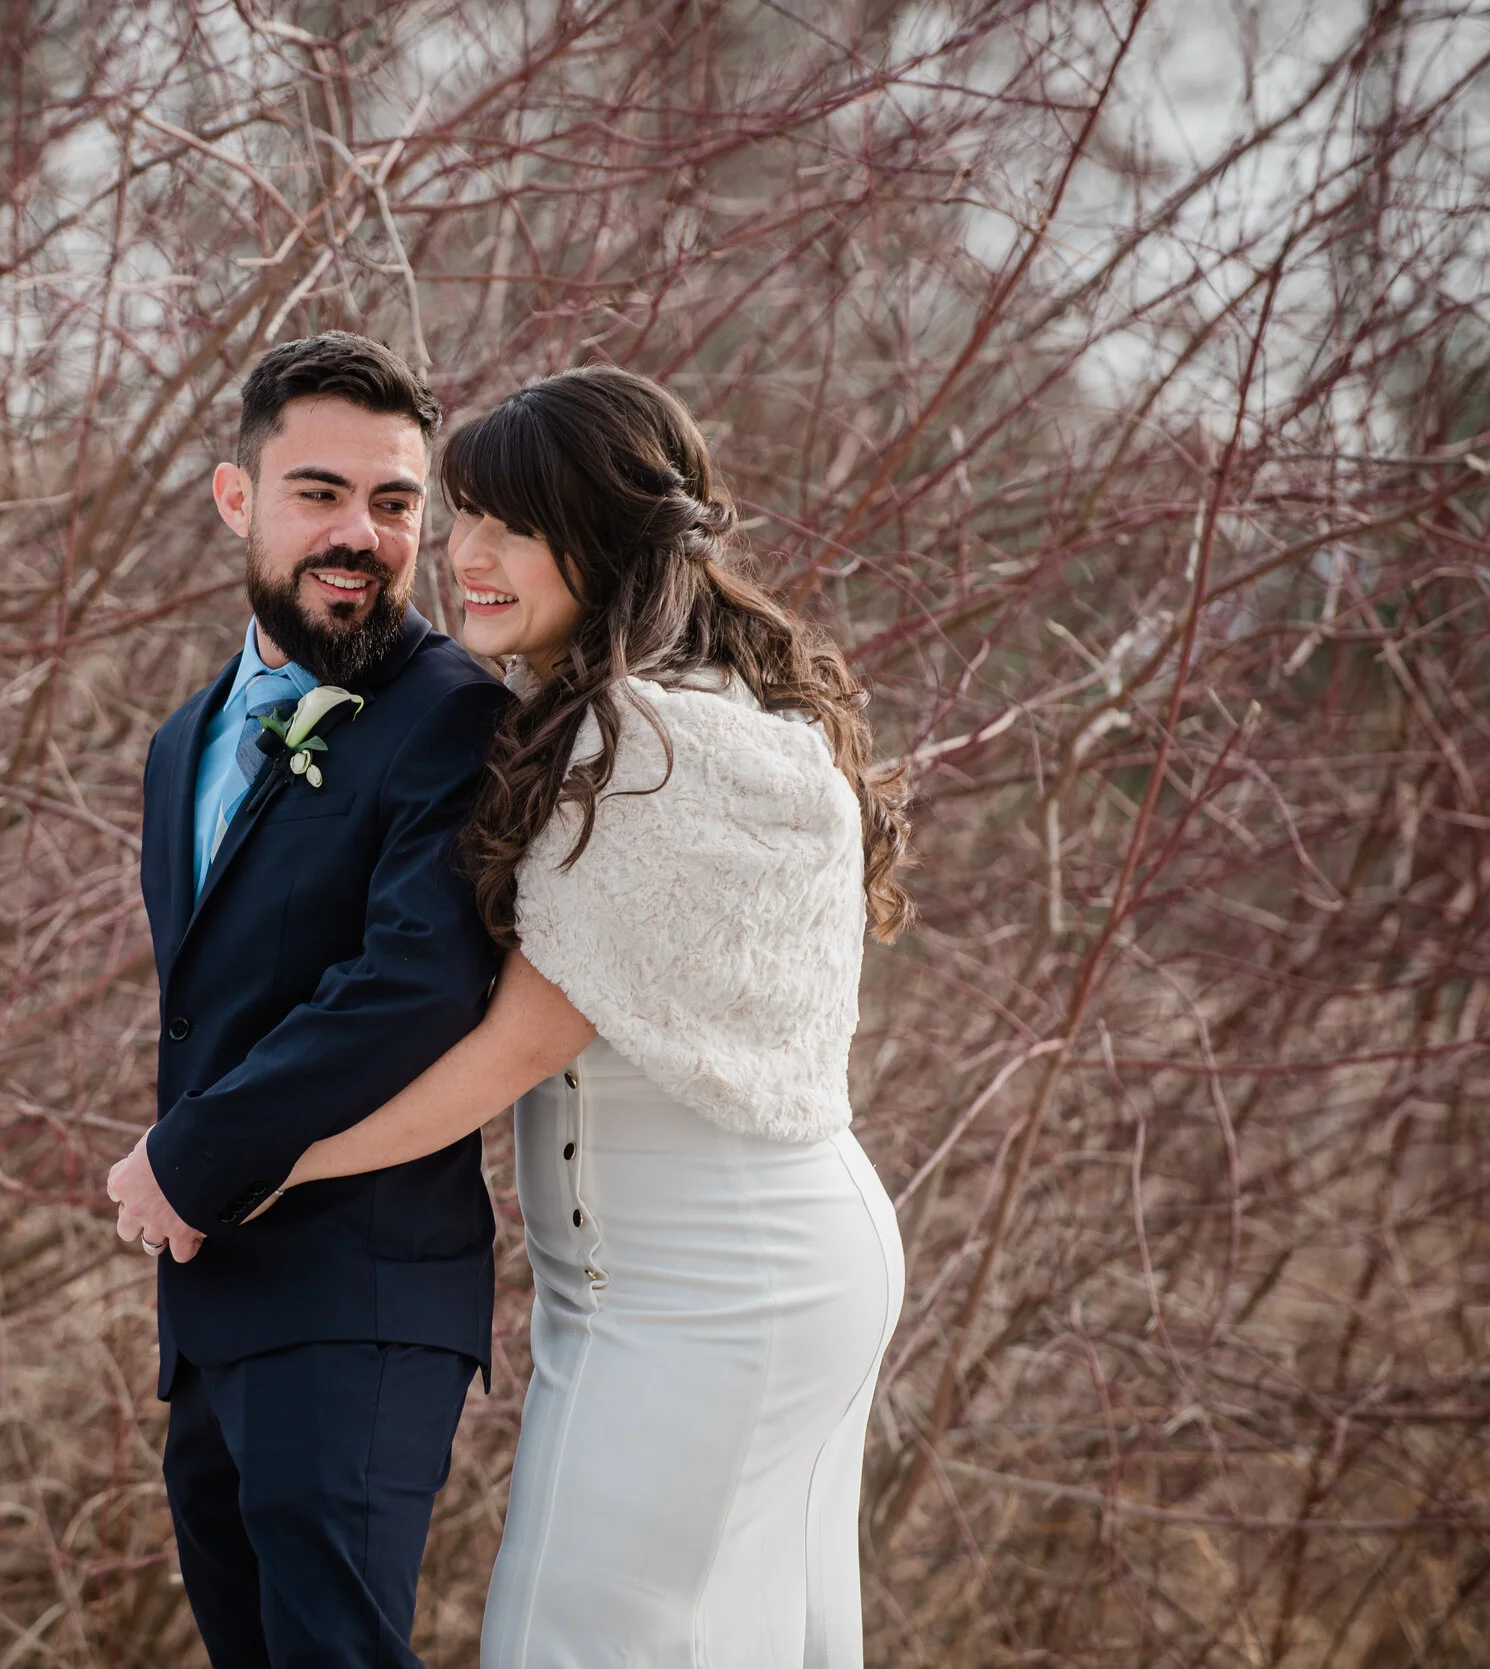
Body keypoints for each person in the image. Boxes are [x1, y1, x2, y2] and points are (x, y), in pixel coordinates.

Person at [241, 366, 917, 1667]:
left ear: (604, 539)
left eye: (518, 526)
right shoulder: (713, 712)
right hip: (772, 1262)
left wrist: (276, 1162)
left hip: (713, 1291)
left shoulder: (640, 743)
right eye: (466, 516)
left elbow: (525, 1043)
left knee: (572, 1640)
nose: (470, 556)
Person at [103, 332, 510, 1668]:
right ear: (238, 498)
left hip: (360, 1300)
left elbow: (416, 981)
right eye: (321, 493)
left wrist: (190, 1156)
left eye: (395, 504)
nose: (362, 534)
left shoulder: (452, 714)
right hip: (216, 1309)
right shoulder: (183, 741)